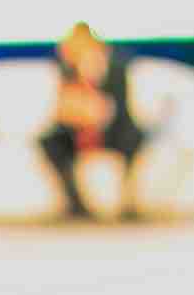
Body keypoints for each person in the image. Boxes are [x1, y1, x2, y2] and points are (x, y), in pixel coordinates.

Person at [39, 22, 145, 221]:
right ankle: (75, 203)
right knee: (50, 142)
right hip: (76, 132)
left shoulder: (116, 68)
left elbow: (121, 108)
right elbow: (61, 109)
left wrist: (101, 112)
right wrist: (78, 113)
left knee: (134, 138)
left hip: (112, 130)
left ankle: (129, 200)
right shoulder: (66, 70)